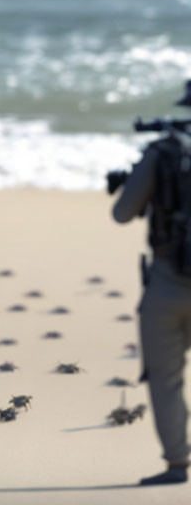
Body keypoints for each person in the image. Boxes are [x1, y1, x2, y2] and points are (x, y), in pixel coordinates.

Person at [112, 80, 191, 486]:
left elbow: (123, 213)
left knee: (165, 377)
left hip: (168, 282)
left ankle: (178, 464)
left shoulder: (162, 153)